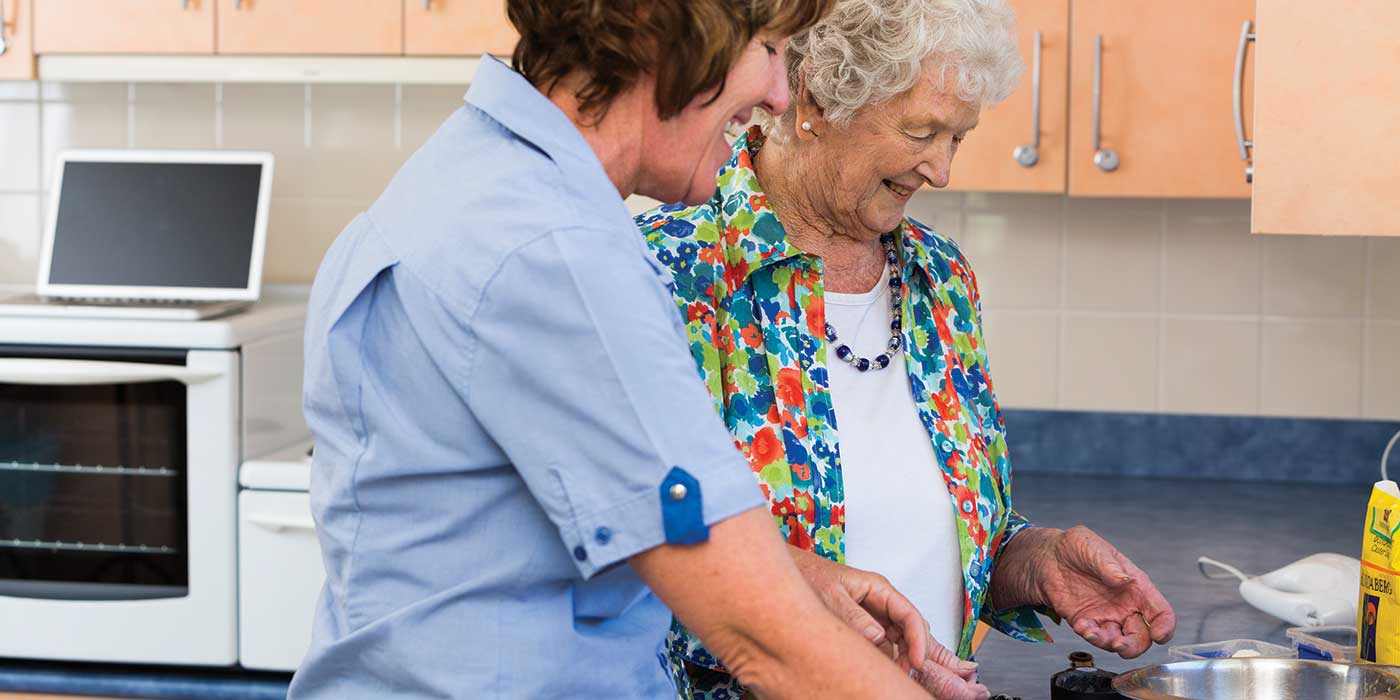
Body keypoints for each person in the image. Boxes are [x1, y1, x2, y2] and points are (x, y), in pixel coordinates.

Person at [289, 1, 989, 699]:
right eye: (769, 48)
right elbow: (762, 641)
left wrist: (797, 578)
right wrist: (782, 609)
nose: (782, 91)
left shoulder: (461, 182)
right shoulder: (555, 253)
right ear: (674, 35)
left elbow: (524, 530)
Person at [636, 0, 1178, 696]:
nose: (943, 171)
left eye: (960, 137)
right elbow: (632, 549)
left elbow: (927, 529)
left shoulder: (940, 279)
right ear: (817, 100)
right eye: (923, 131)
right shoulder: (672, 272)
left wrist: (1031, 563)